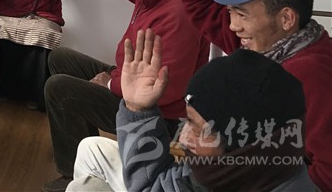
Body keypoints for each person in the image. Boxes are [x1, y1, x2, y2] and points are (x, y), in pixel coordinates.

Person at [171, 0, 332, 191]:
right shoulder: (265, 46)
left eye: (241, 13)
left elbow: (326, 172)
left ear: (286, 18)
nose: (233, 26)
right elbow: (203, 9)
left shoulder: (312, 75)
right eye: (230, 12)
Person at [42, 0, 209, 192]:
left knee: (58, 88)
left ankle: (72, 175)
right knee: (60, 58)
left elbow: (168, 87)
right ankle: (82, 144)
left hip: (155, 111)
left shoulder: (179, 13)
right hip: (128, 77)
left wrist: (110, 84)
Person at [117, 29, 315, 192]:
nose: (183, 139)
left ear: (244, 144)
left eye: (196, 128)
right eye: (187, 121)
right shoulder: (221, 172)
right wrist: (138, 108)